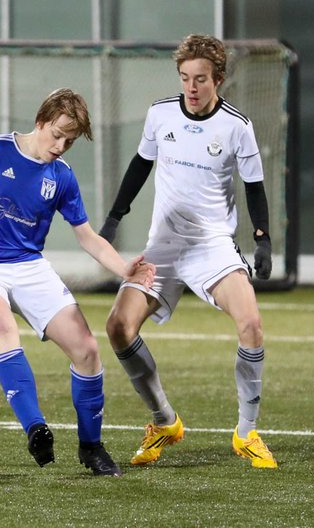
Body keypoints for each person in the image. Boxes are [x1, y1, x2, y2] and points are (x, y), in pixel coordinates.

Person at [0, 88, 155, 477]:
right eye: (58, 135)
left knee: (87, 350)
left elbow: (87, 237)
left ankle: (91, 447)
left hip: (29, 266)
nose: (61, 146)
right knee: (3, 326)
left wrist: (124, 269)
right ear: (41, 121)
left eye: (70, 141)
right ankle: (36, 429)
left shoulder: (62, 176)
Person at [97, 34, 278, 469]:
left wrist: (263, 239)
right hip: (163, 246)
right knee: (118, 327)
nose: (191, 88)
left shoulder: (237, 126)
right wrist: (115, 218)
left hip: (212, 246)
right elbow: (140, 165)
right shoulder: (161, 114)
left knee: (251, 324)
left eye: (200, 79)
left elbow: (254, 187)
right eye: (184, 78)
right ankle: (164, 421)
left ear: (218, 79)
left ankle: (247, 432)